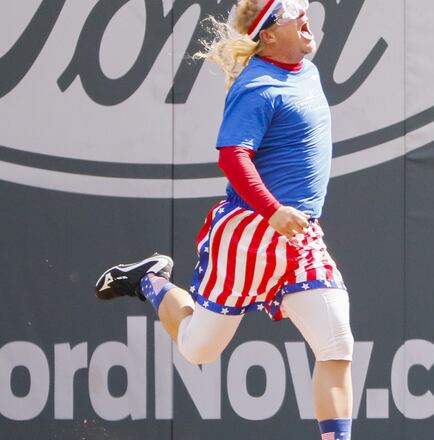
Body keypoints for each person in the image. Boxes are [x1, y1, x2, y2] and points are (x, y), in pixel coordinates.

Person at [94, 1, 353, 437]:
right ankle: (150, 280)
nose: (305, 15)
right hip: (251, 231)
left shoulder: (307, 72)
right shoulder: (257, 86)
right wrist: (272, 210)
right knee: (198, 349)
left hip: (299, 233)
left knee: (337, 344)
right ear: (267, 34)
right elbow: (233, 157)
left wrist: (284, 215)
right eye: (293, 11)